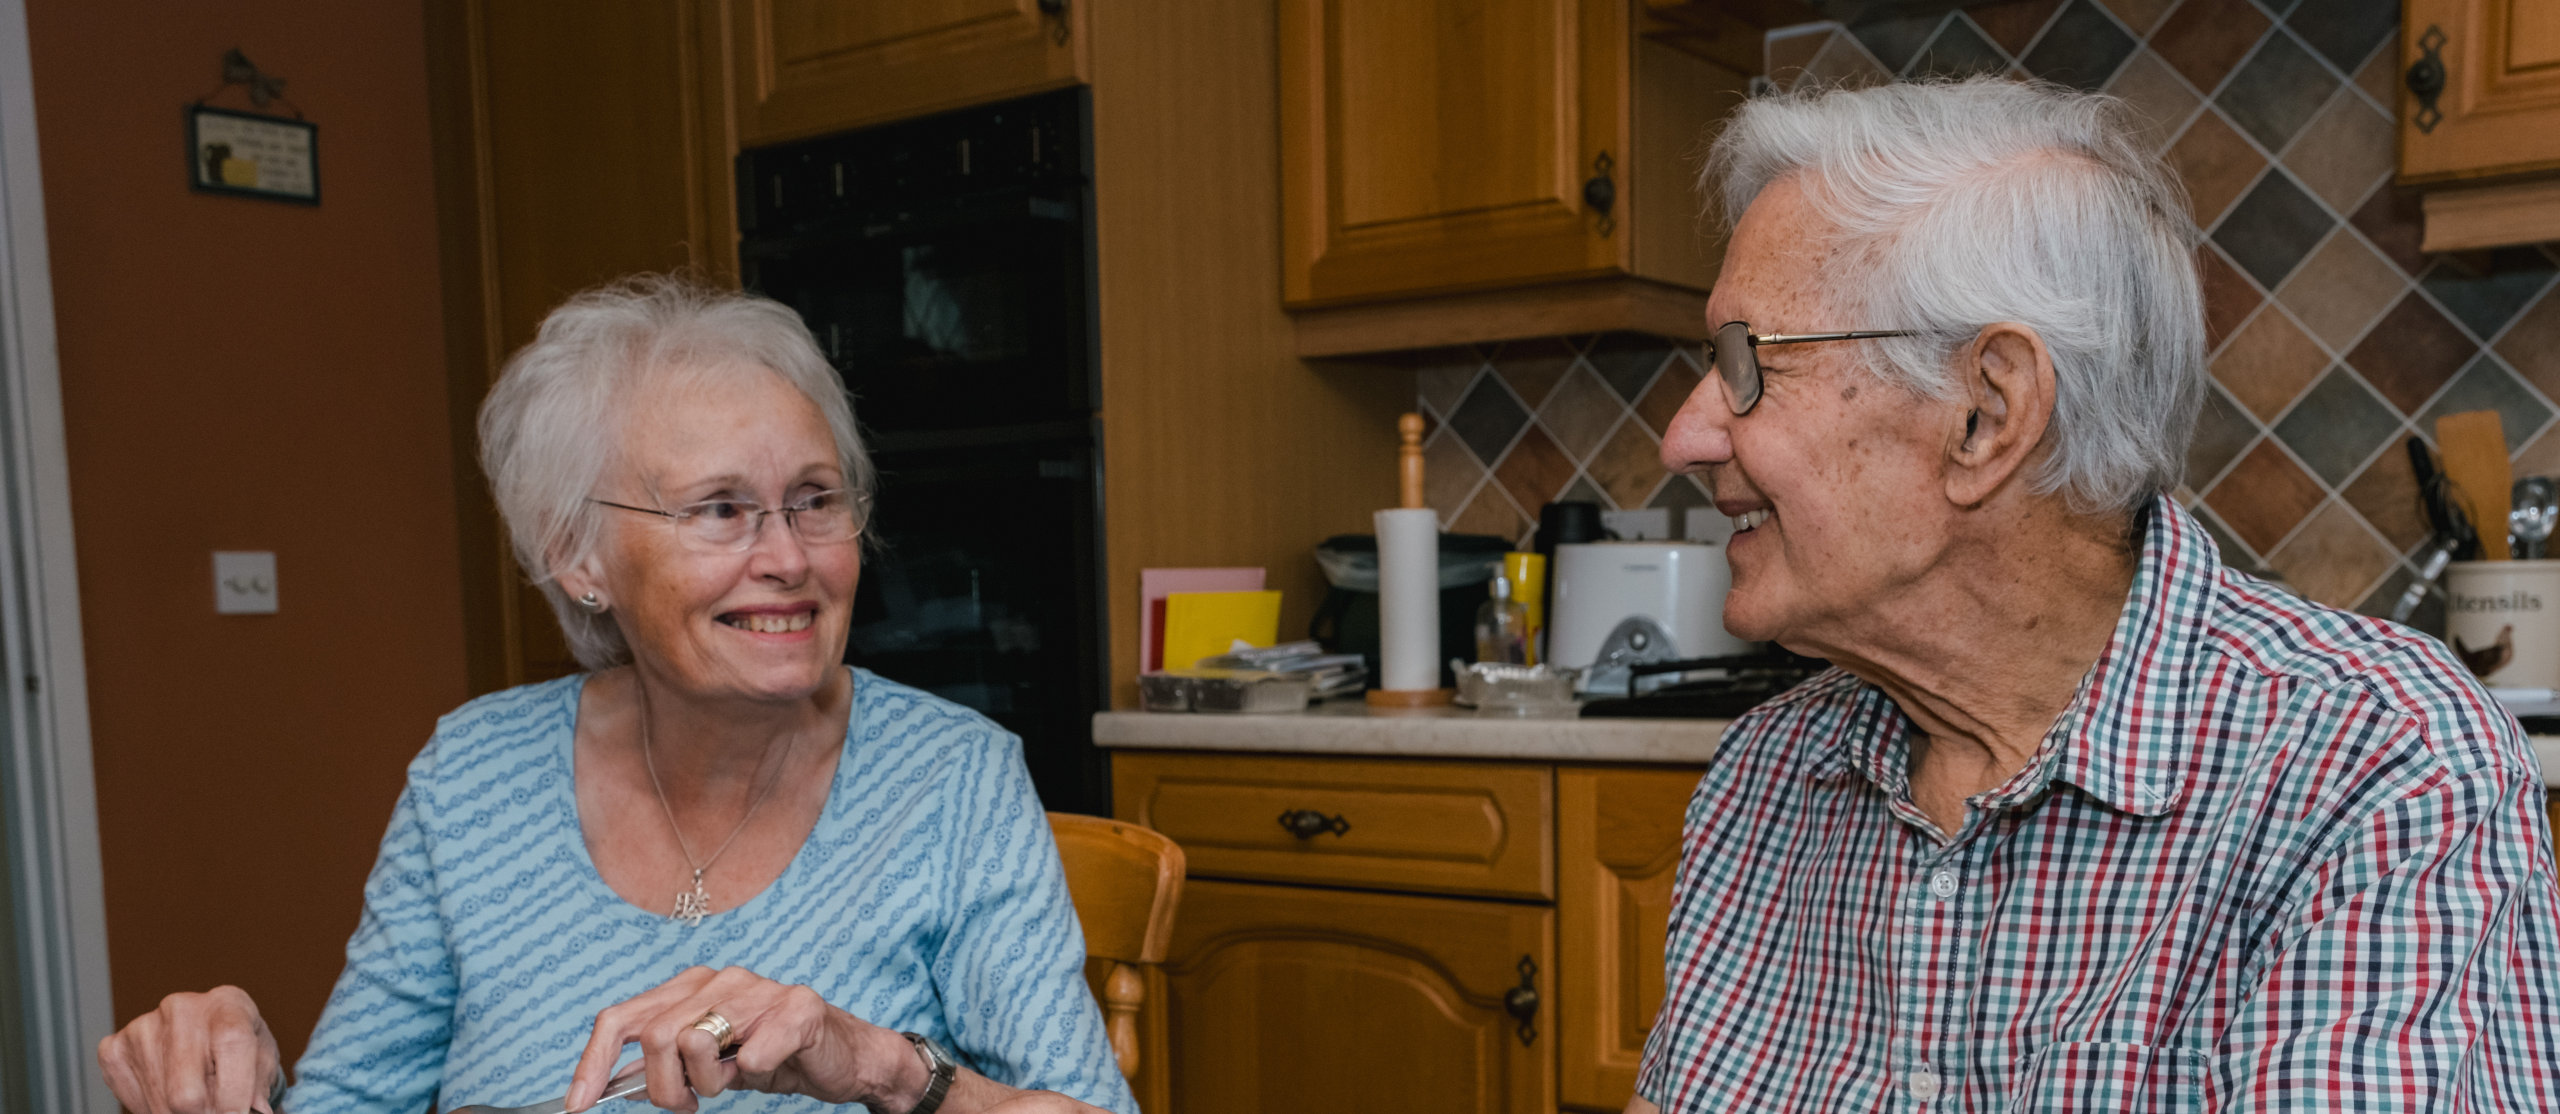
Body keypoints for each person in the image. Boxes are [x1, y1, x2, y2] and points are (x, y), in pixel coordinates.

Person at [1632, 77, 2560, 1111]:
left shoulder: (2373, 765)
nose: (1685, 435)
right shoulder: (1767, 776)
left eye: (1745, 364)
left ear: (1986, 413)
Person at [97, 277, 1133, 1114]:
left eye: (815, 500)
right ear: (576, 556)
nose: (787, 556)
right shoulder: (473, 775)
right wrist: (235, 1076)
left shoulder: (952, 778)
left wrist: (876, 1063)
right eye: (719, 510)